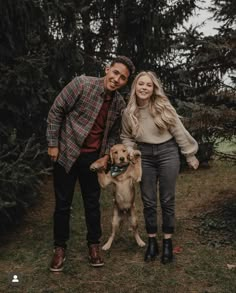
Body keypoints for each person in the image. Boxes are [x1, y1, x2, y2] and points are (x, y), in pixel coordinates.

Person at [46, 56, 135, 272]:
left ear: (125, 82)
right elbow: (56, 111)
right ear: (107, 69)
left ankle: (94, 246)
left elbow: (113, 133)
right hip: (66, 152)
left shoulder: (119, 104)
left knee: (92, 203)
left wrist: (105, 156)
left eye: (122, 78)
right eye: (115, 73)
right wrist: (52, 144)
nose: (117, 79)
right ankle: (60, 249)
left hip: (92, 159)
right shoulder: (81, 84)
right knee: (63, 203)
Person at [121, 71, 199, 264]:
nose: (144, 88)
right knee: (148, 200)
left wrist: (189, 154)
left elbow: (179, 131)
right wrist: (130, 150)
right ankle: (152, 242)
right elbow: (126, 137)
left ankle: (167, 243)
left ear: (153, 88)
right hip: (144, 156)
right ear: (135, 87)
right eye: (141, 84)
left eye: (149, 85)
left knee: (167, 199)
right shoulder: (129, 112)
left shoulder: (163, 107)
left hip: (167, 153)